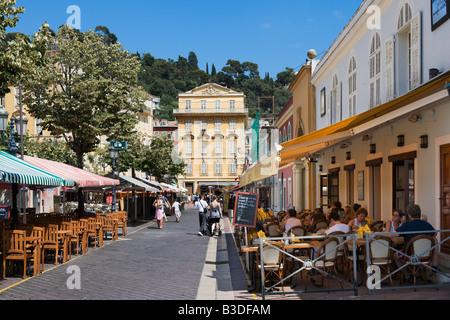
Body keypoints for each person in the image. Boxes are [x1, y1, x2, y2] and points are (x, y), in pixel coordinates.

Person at [388, 205, 440, 280]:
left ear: (409, 215)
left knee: (395, 255)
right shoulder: (426, 225)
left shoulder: (407, 226)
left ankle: (407, 276)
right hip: (426, 256)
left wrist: (376, 233)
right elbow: (435, 233)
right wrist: (425, 221)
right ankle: (434, 265)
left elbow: (392, 234)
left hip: (410, 257)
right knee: (435, 240)